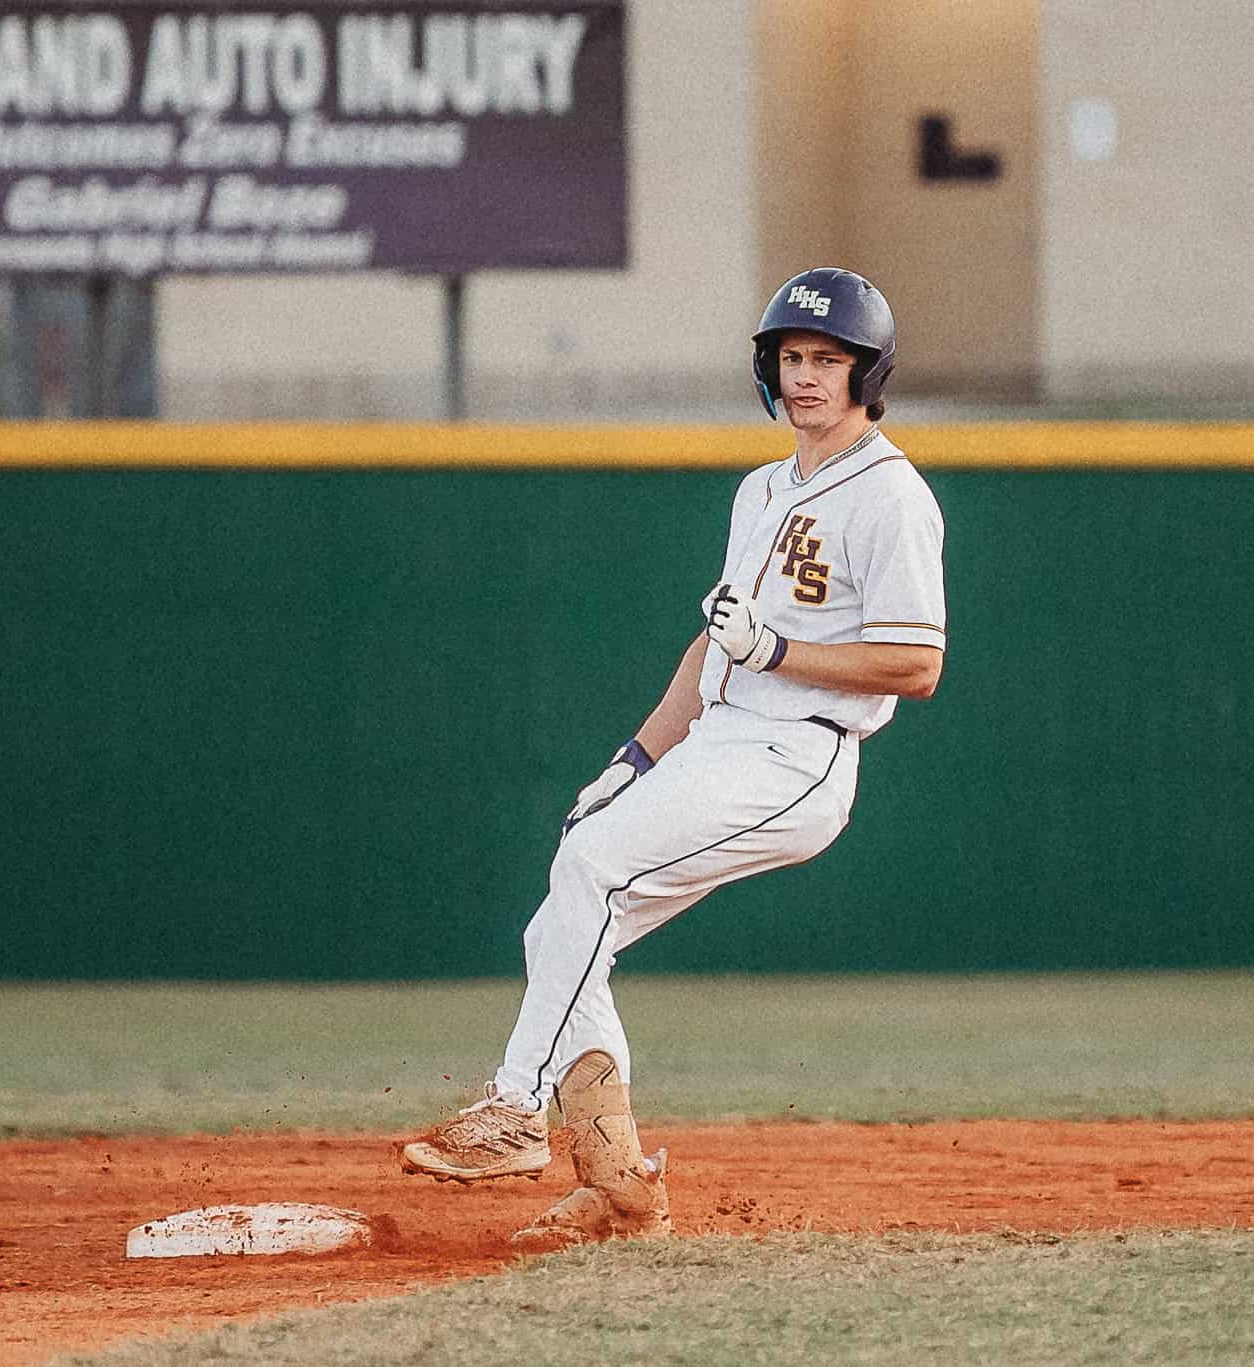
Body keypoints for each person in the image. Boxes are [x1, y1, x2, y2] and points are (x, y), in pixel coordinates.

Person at [397, 268, 948, 1249]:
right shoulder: (763, 488)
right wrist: (634, 758)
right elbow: (711, 642)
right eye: (792, 357)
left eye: (830, 359)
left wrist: (776, 650)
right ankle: (616, 1189)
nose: (808, 376)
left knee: (590, 872)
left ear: (869, 373)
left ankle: (516, 1109)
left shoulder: (890, 496)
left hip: (798, 755)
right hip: (721, 742)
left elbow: (916, 661)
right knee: (565, 930)